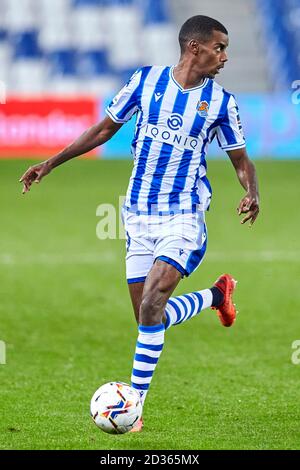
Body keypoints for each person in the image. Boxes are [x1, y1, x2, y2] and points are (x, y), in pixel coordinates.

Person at [19, 15, 259, 432]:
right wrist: (51, 162)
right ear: (194, 47)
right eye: (219, 48)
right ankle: (216, 296)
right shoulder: (146, 82)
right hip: (137, 216)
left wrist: (251, 190)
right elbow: (104, 129)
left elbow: (240, 159)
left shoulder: (222, 102)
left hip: (183, 215)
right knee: (150, 318)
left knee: (152, 304)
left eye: (226, 49)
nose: (224, 57)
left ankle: (132, 407)